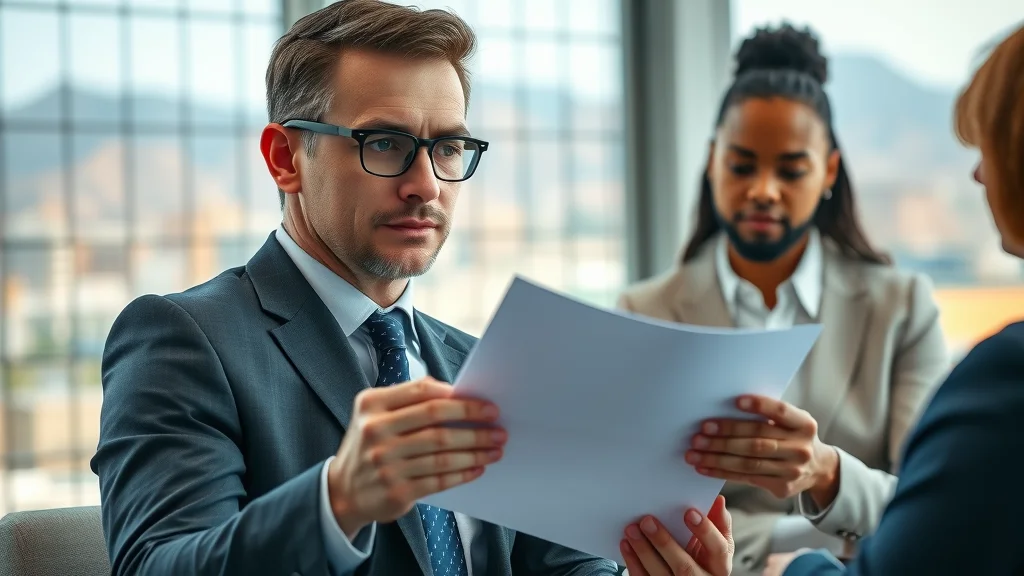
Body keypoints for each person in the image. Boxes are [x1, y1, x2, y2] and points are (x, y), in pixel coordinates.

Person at [90, 2, 668, 575]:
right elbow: (155, 564)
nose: (426, 186)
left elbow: (562, 567)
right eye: (385, 144)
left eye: (447, 148)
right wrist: (336, 502)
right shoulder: (184, 340)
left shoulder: (480, 365)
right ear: (285, 157)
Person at [617, 24, 950, 574]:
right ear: (711, 161)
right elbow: (632, 512)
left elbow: (933, 507)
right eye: (742, 166)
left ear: (829, 172)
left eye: (791, 170)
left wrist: (825, 473)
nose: (763, 190)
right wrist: (801, 541)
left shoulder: (902, 307)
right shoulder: (643, 312)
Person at [759, 19, 1024, 576]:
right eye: (741, 164)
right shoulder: (648, 305)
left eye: (992, 146)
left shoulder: (1000, 375)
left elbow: (924, 516)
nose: (977, 174)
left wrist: (793, 565)